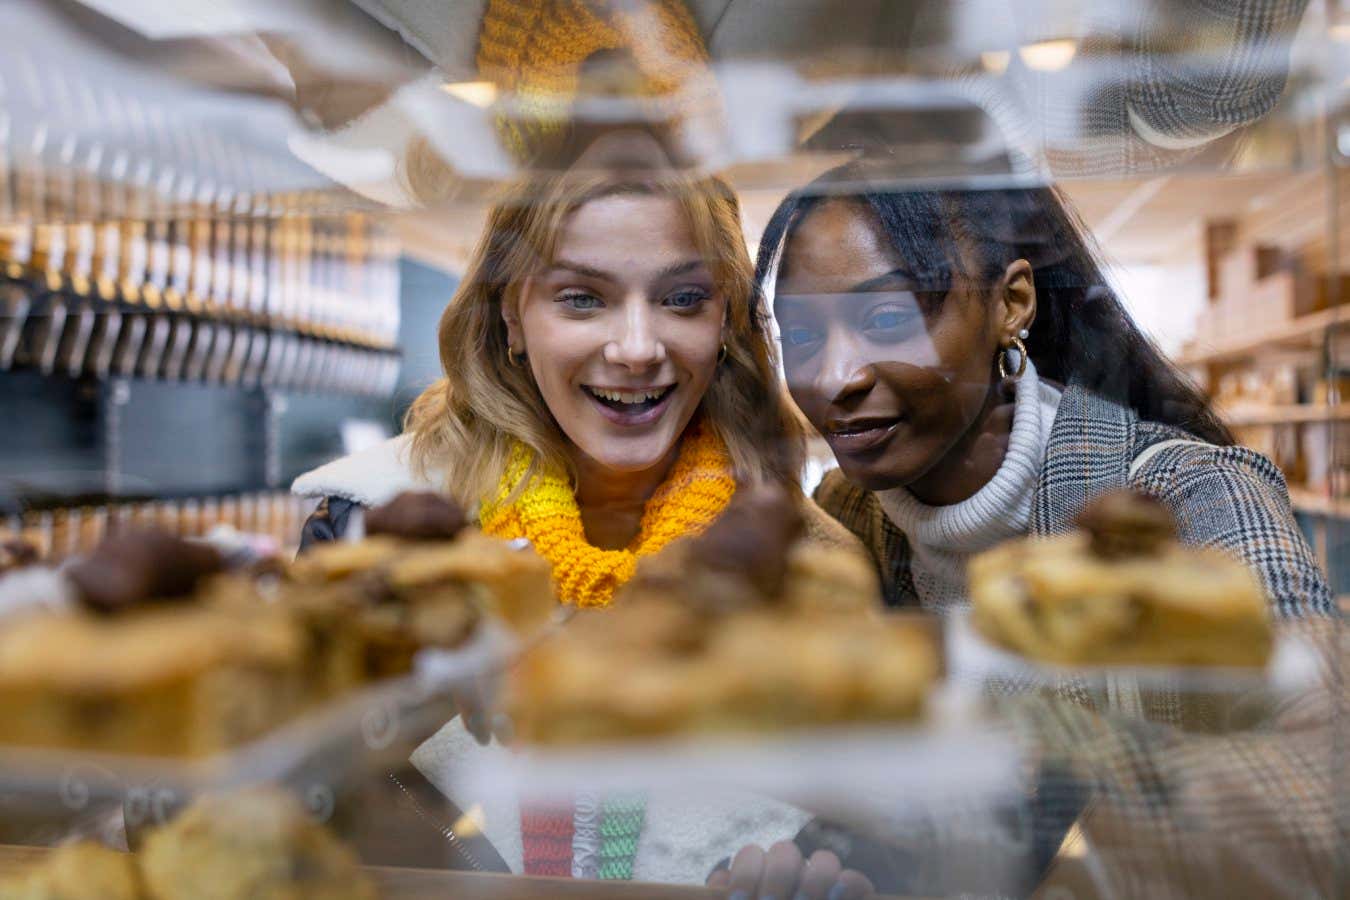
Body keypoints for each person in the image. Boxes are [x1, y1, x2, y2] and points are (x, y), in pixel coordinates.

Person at [291, 168, 873, 889]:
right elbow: (264, 808)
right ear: (511, 316)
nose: (635, 349)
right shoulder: (373, 532)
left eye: (683, 298)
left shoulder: (809, 568)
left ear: (725, 321)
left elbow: (875, 825)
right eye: (582, 298)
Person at [754, 160, 1331, 618]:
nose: (832, 378)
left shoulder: (1194, 500)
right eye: (801, 333)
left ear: (1011, 304)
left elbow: (1306, 741)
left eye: (885, 320)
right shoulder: (840, 513)